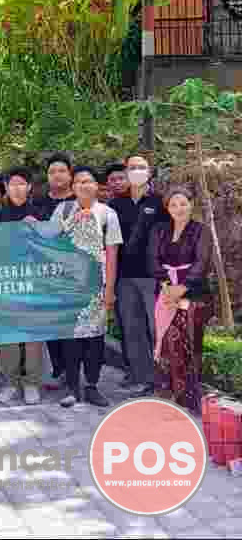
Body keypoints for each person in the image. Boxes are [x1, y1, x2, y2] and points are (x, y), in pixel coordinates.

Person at [51, 166, 122, 408]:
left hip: (96, 285)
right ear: (72, 187)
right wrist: (72, 220)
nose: (84, 185)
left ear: (96, 186)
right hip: (68, 285)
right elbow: (50, 241)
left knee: (95, 337)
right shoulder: (63, 210)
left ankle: (92, 385)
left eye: (88, 181)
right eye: (79, 181)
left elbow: (111, 254)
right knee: (70, 337)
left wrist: (109, 288)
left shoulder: (108, 214)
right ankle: (72, 388)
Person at [109, 154, 169, 397]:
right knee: (132, 329)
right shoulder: (116, 205)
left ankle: (164, 379)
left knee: (157, 328)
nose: (136, 171)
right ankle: (143, 378)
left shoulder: (160, 202)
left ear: (149, 171)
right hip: (124, 276)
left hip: (153, 277)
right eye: (132, 167)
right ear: (126, 172)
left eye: (141, 167)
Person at [148, 187, 212, 415]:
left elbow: (202, 261)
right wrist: (167, 285)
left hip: (194, 294)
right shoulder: (159, 230)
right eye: (173, 204)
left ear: (191, 204)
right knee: (166, 344)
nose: (179, 208)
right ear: (167, 208)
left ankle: (189, 399)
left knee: (189, 343)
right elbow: (152, 259)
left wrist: (183, 288)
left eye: (183, 203)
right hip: (165, 291)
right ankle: (168, 397)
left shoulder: (201, 230)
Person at [0, 168, 43, 405]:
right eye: (12, 184)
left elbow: (49, 246)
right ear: (6, 187)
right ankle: (10, 383)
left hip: (33, 281)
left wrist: (37, 229)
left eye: (22, 183)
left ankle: (31, 382)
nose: (17, 188)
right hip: (6, 281)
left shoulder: (39, 213)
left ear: (29, 186)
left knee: (33, 333)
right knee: (8, 334)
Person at [33, 153, 76, 388]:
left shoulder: (80, 200)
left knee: (73, 325)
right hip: (45, 274)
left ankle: (74, 373)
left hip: (74, 274)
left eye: (61, 170)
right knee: (52, 324)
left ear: (70, 174)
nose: (57, 175)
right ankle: (58, 369)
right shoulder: (38, 203)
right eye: (52, 172)